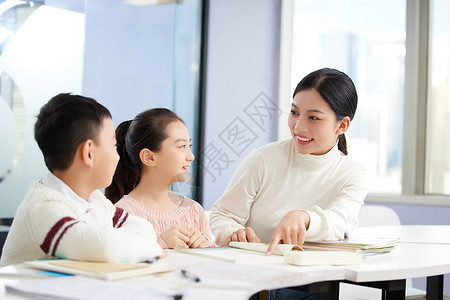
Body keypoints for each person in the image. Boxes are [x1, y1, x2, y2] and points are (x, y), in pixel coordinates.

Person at [210, 68, 369, 256]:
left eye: (313, 118)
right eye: (294, 112)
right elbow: (223, 215)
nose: (298, 127)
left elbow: (341, 221)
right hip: (256, 272)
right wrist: (232, 233)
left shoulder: (353, 173)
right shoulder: (263, 160)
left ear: (342, 125)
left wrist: (305, 218)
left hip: (315, 275)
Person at [0, 93, 162, 266]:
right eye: (114, 146)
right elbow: (103, 247)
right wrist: (153, 249)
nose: (117, 157)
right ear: (89, 152)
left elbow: (144, 227)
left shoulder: (95, 200)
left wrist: (142, 243)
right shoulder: (42, 207)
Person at [105, 108, 214, 249]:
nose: (191, 156)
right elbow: (117, 262)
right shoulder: (121, 214)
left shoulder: (194, 211)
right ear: (149, 157)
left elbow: (207, 268)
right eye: (182, 146)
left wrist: (206, 247)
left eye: (189, 145)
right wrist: (159, 243)